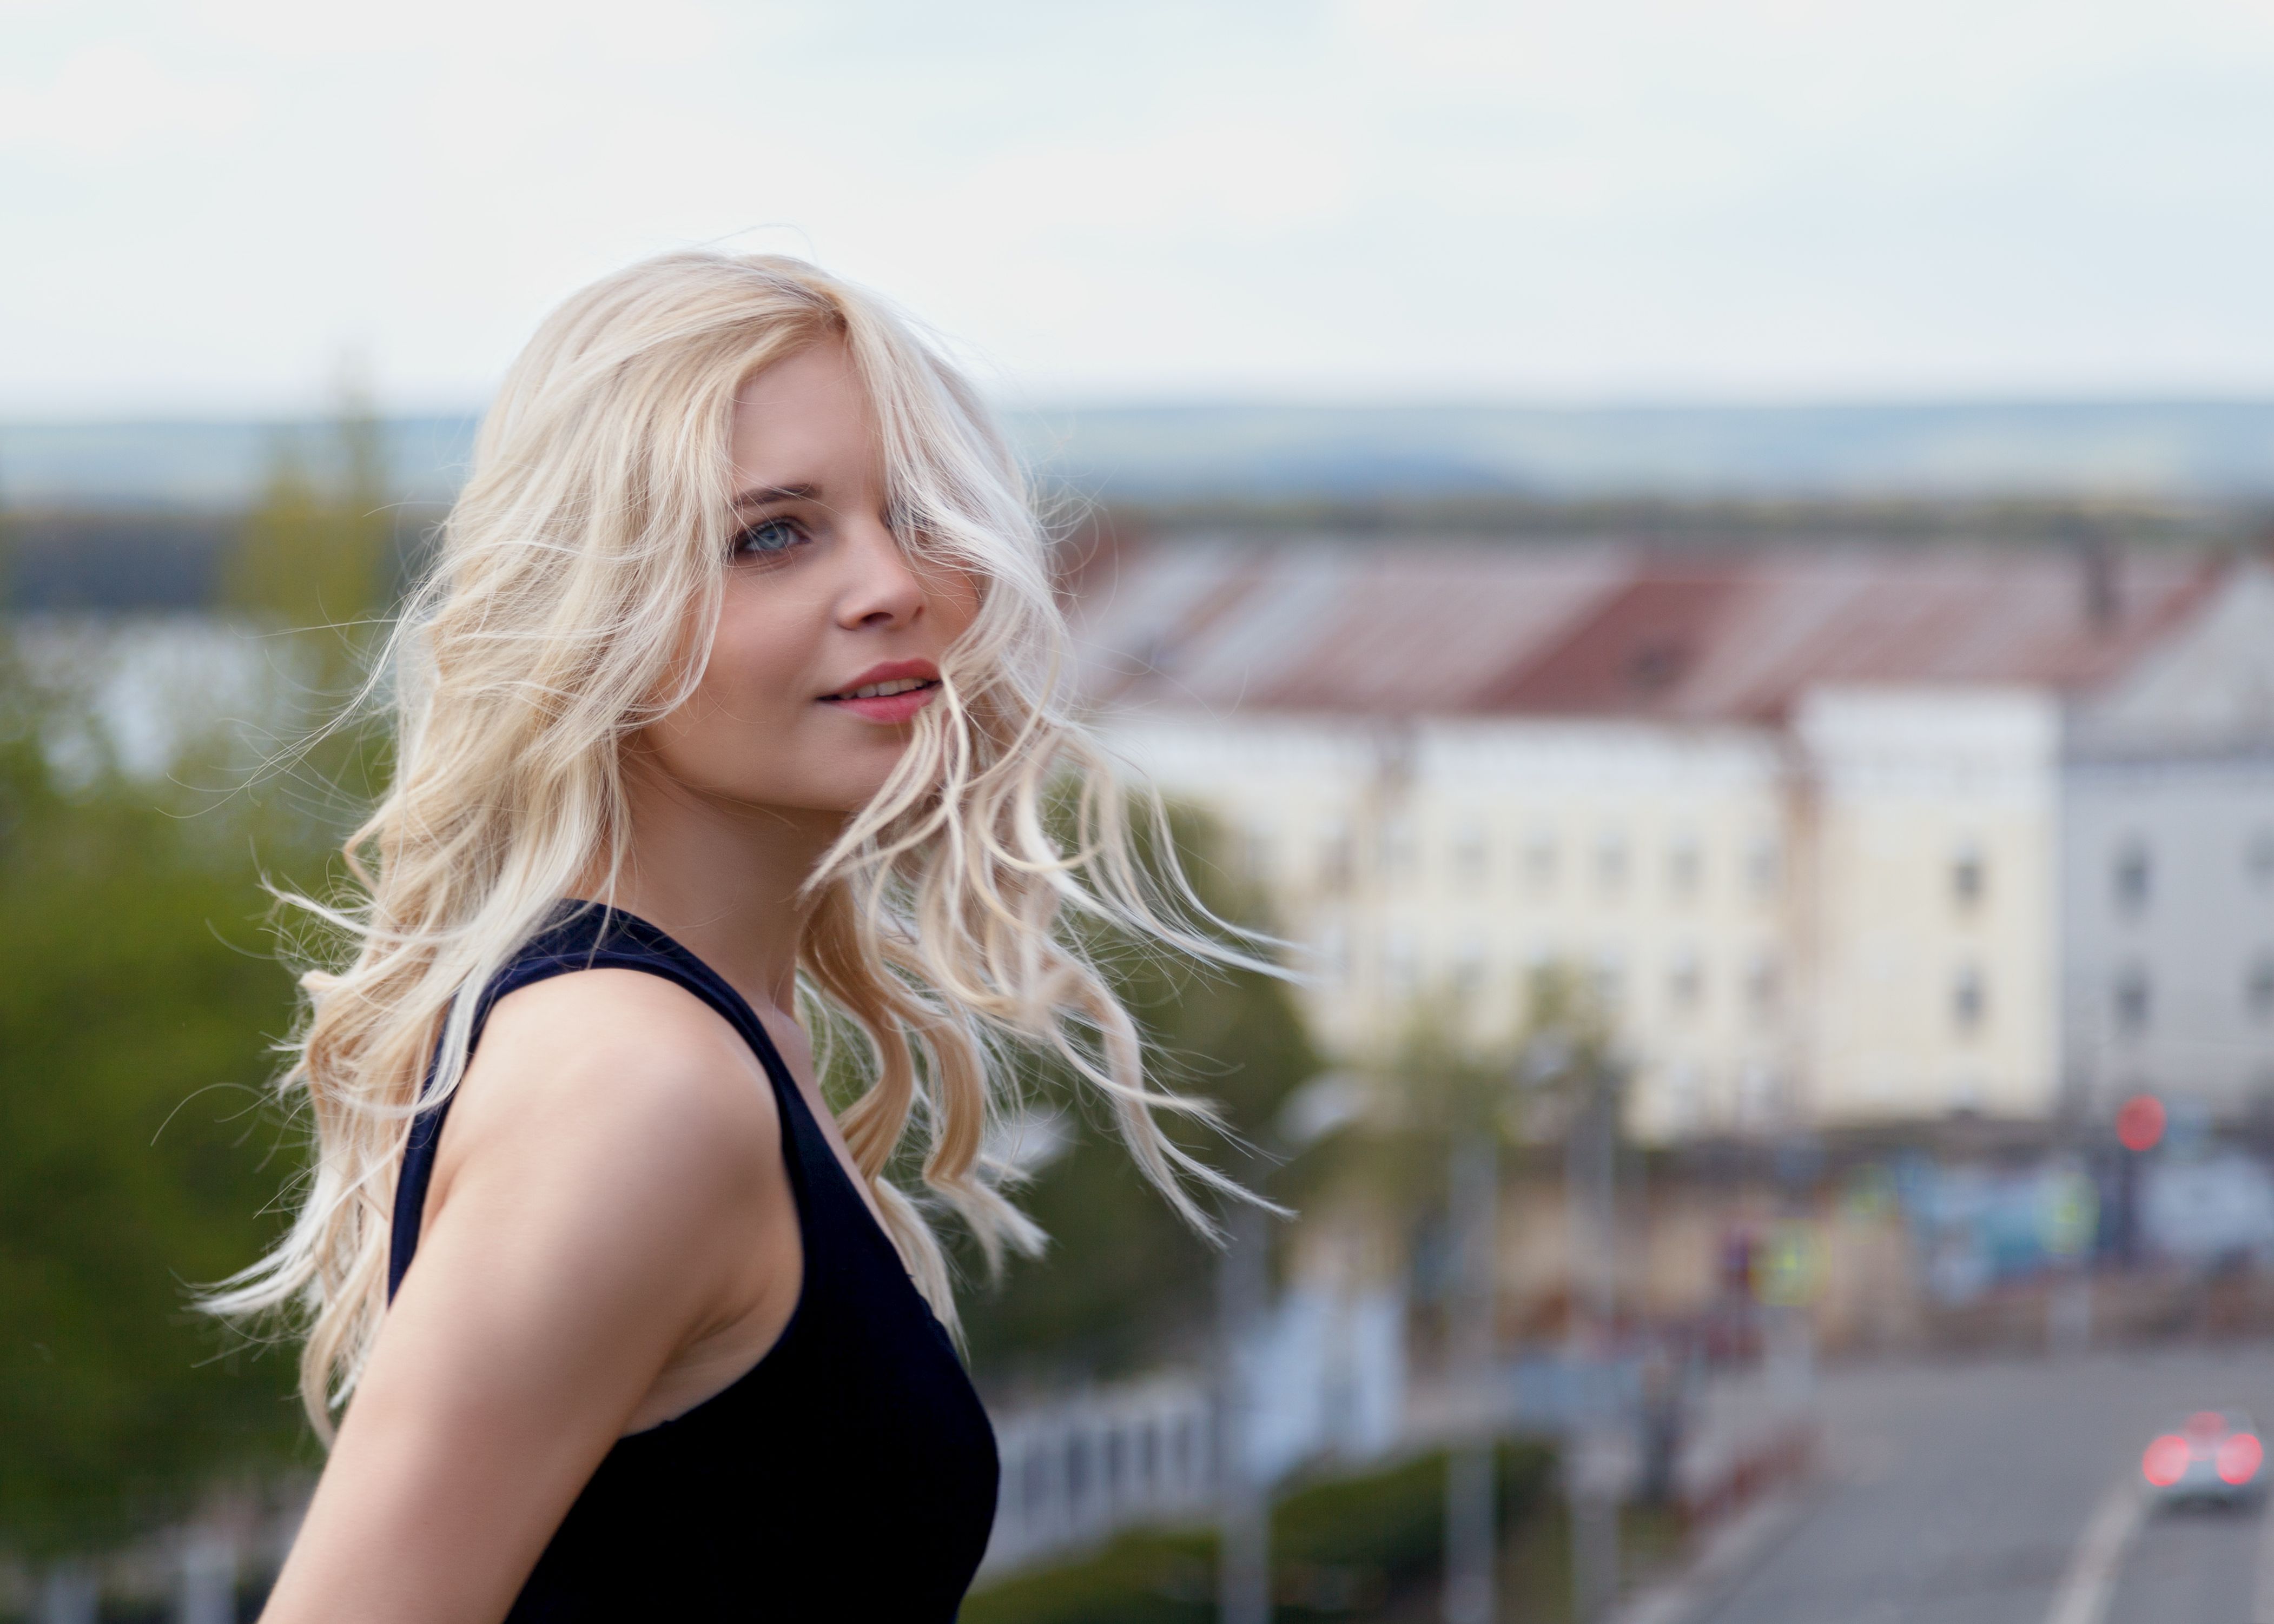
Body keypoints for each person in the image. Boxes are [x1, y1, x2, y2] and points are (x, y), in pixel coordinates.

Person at [211, 251, 1255, 1622]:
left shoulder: (714, 1032)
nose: (892, 583)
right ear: (594, 618)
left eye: (919, 513)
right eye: (771, 534)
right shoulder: (635, 1085)